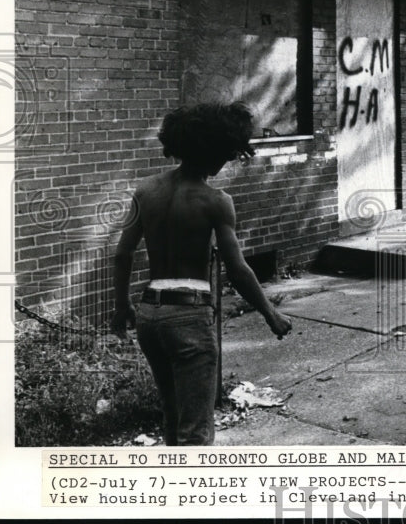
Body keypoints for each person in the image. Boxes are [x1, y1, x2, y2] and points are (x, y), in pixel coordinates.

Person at [111, 102, 292, 445]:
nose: (226, 162)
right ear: (214, 152)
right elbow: (237, 269)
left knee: (173, 415)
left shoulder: (145, 190)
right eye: (227, 154)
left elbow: (122, 254)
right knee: (195, 430)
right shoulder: (216, 200)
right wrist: (271, 314)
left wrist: (123, 307)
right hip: (188, 316)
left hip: (150, 313)